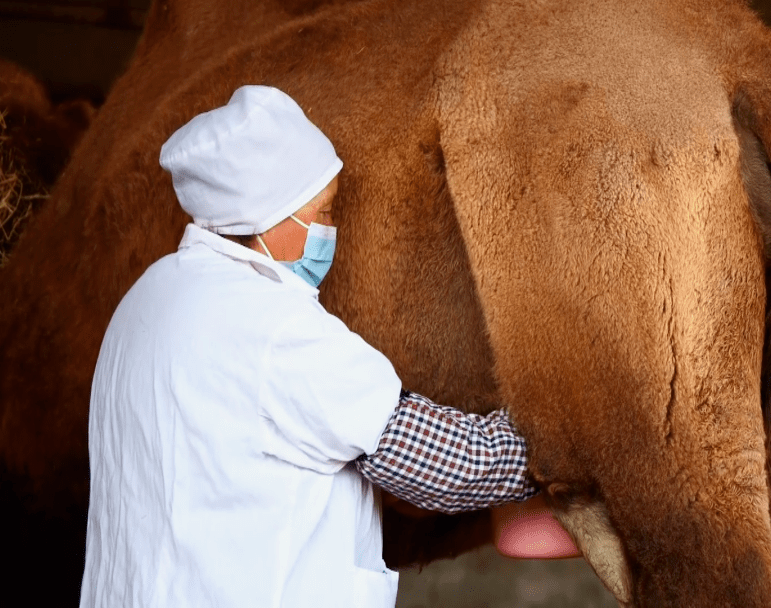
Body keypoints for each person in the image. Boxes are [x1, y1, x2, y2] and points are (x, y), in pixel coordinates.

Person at [79, 85, 553, 608]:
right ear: (267, 219)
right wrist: (560, 439)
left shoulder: (149, 296)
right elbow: (444, 464)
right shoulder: (275, 329)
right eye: (323, 213)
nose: (333, 229)